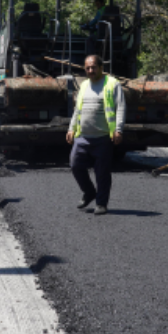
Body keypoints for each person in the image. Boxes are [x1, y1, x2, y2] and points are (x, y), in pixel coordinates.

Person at [66, 54, 125, 216]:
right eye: (88, 68)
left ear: (101, 68)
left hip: (103, 137)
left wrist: (118, 129)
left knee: (102, 172)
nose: (90, 70)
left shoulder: (112, 84)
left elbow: (120, 107)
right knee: (75, 165)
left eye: (93, 67)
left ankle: (101, 203)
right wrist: (71, 129)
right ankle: (89, 192)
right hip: (82, 137)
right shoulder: (84, 85)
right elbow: (77, 110)